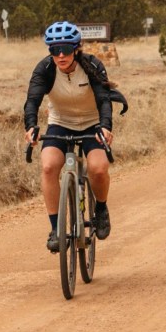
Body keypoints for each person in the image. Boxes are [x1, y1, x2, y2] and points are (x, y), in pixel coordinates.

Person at [24, 21, 120, 250]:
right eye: (54, 50)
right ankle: (56, 229)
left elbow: (104, 100)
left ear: (76, 48)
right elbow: (32, 100)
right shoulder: (45, 69)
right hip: (60, 122)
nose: (60, 55)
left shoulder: (92, 65)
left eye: (66, 49)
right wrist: (30, 127)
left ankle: (101, 209)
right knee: (48, 167)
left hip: (92, 123)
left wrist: (106, 126)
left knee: (98, 168)